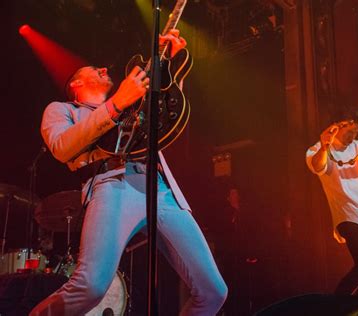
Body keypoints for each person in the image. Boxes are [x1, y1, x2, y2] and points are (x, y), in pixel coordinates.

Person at [30, 30, 227, 315]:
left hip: (160, 187)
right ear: (76, 82)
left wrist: (167, 61)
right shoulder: (62, 109)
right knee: (92, 286)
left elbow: (166, 112)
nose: (103, 69)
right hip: (113, 185)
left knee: (213, 291)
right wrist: (116, 103)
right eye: (93, 70)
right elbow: (61, 147)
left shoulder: (133, 104)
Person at [305, 103, 358, 296]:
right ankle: (337, 306)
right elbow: (318, 167)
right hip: (348, 213)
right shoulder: (317, 150)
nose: (355, 134)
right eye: (351, 128)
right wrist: (325, 146)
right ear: (339, 124)